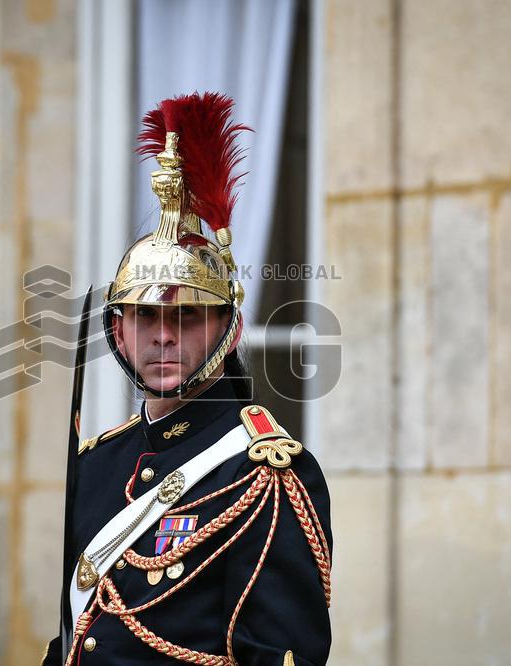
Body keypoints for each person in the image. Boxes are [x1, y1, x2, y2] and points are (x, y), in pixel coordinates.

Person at [42, 93, 332, 666]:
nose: (164, 336)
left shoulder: (264, 474)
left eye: (188, 316)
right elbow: (76, 637)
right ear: (118, 331)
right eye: (145, 316)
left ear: (231, 328)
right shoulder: (98, 463)